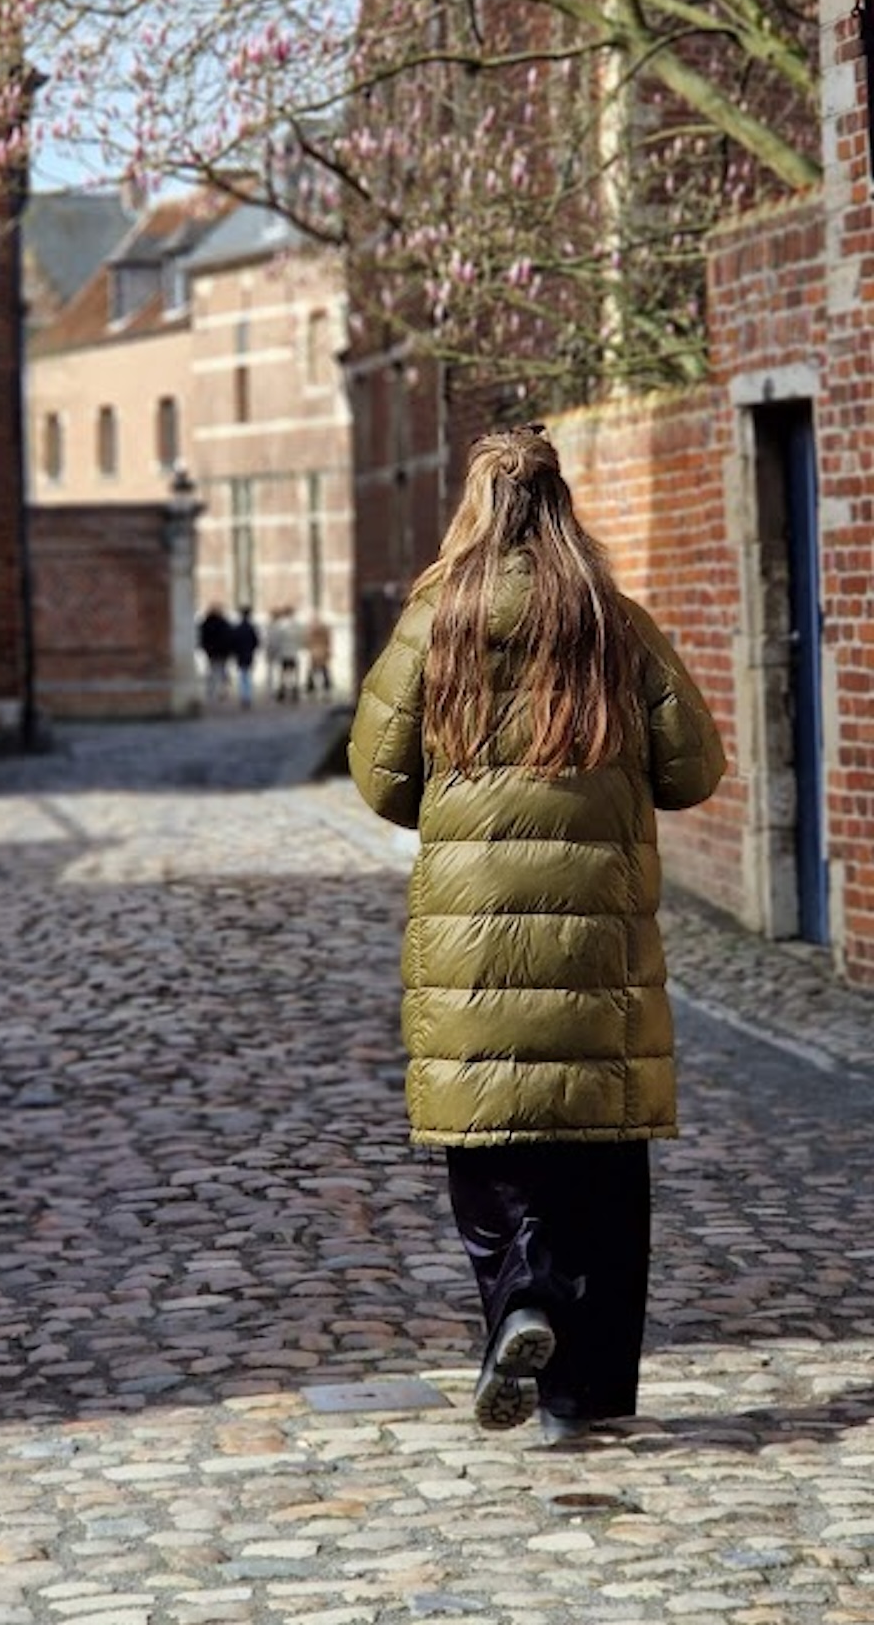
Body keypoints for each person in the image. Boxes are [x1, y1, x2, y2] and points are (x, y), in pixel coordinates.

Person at [348, 424, 725, 1447]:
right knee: (600, 1168)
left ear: (473, 506)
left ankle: (521, 1297)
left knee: (492, 1152)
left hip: (472, 951)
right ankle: (581, 1397)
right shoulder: (617, 625)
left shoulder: (439, 623)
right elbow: (694, 770)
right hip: (597, 951)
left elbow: (380, 778)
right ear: (562, 504)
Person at [197, 603, 233, 701]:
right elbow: (229, 638)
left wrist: (205, 648)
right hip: (222, 652)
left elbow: (202, 638)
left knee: (212, 671)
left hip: (211, 652)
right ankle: (221, 691)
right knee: (221, 671)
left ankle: (211, 691)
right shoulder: (224, 623)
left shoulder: (206, 623)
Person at [230, 604, 260, 710]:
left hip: (241, 655)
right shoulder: (251, 628)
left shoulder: (237, 628)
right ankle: (247, 697)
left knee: (242, 677)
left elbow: (233, 642)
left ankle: (244, 696)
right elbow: (256, 642)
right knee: (247, 677)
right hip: (248, 654)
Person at [304, 615, 333, 697]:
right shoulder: (325, 630)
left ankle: (311, 688)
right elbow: (328, 641)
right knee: (324, 671)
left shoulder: (312, 630)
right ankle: (326, 688)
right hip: (322, 651)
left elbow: (307, 642)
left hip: (315, 652)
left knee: (313, 671)